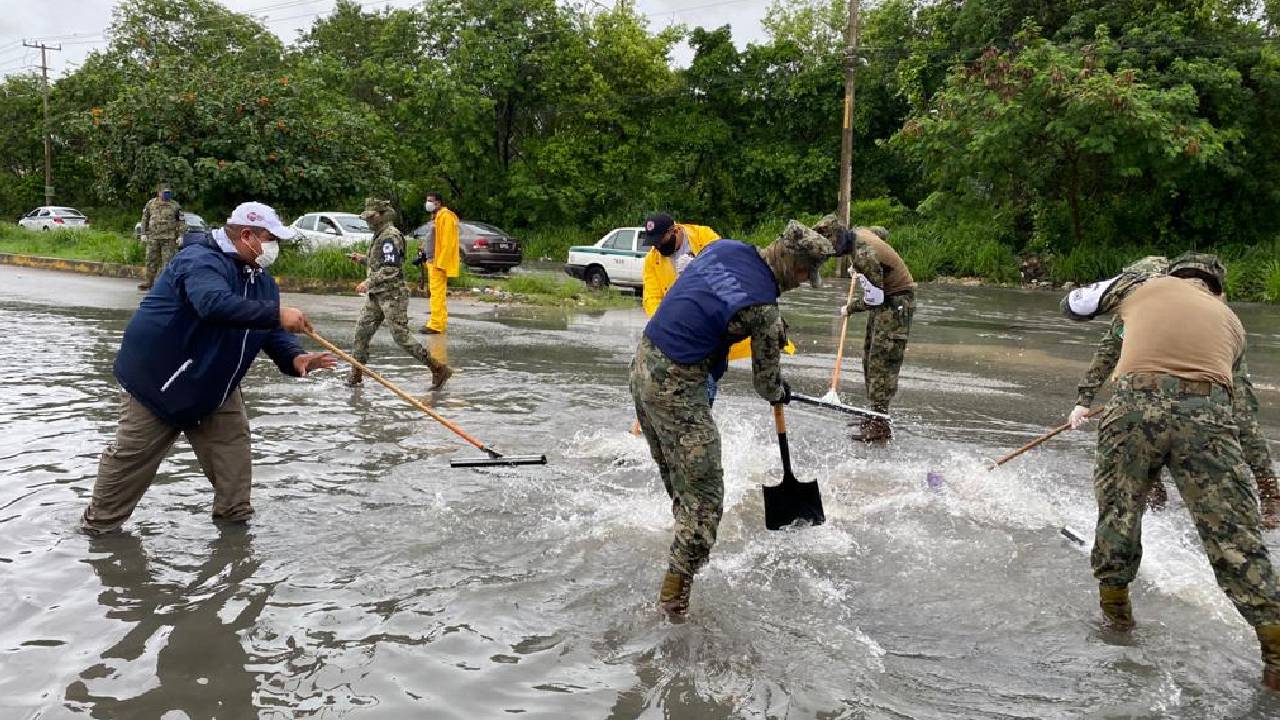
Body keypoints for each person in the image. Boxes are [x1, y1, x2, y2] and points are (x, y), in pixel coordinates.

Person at [1061, 253, 1280, 690]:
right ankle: (1276, 659)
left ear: (1174, 275)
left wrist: (1085, 397)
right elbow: (1246, 418)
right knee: (1235, 541)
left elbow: (1073, 308)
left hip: (1131, 408)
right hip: (1208, 417)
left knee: (1118, 518)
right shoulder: (1231, 322)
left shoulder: (1142, 288)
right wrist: (1268, 486)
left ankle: (1117, 625)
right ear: (1218, 289)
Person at [82, 202, 337, 534]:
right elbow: (212, 304)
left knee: (235, 482)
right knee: (125, 471)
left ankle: (235, 545)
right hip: (158, 386)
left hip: (216, 390)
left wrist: (295, 358)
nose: (276, 248)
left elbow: (268, 331)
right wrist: (276, 314)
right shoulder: (199, 260)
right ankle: (95, 535)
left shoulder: (262, 281)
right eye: (271, 239)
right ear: (247, 236)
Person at [631, 220, 833, 619]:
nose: (804, 281)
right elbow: (766, 384)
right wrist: (779, 390)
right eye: (807, 274)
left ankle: (680, 554)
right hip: (678, 386)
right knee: (706, 504)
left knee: (681, 486)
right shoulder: (763, 309)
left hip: (642, 369)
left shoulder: (727, 248)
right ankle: (672, 606)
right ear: (794, 267)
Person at [1067, 255, 1280, 526]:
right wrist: (1083, 400)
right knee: (1142, 417)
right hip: (1160, 376)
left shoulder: (1212, 303)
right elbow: (1110, 350)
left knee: (1244, 421)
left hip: (1216, 361)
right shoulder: (1141, 301)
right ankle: (1154, 497)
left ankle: (1270, 494)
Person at [814, 218, 914, 442]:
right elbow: (881, 231)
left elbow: (874, 298)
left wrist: (850, 307)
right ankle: (875, 414)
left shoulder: (863, 255)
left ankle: (880, 424)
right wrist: (861, 270)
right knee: (869, 355)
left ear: (838, 239)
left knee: (881, 360)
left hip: (896, 303)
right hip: (887, 301)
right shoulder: (860, 233)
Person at [346, 198, 453, 390]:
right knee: (361, 333)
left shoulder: (390, 236)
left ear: (382, 215)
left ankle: (438, 368)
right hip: (376, 296)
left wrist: (367, 282)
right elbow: (379, 262)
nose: (369, 221)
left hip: (392, 295)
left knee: (401, 337)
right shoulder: (380, 235)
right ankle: (356, 375)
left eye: (372, 217)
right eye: (367, 218)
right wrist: (362, 259)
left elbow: (391, 269)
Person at [419, 192, 459, 334]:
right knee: (436, 294)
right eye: (427, 200)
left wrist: (440, 263)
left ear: (438, 203)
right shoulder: (437, 217)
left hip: (437, 263)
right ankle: (437, 322)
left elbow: (447, 242)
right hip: (432, 261)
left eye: (431, 201)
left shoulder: (446, 216)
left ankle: (436, 324)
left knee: (437, 294)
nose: (428, 203)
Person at [138, 183, 183, 291]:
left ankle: (164, 285)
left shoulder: (175, 205)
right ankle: (149, 282)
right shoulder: (151, 204)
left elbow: (181, 221)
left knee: (168, 262)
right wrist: (143, 233)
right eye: (165, 193)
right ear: (159, 193)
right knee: (150, 260)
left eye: (168, 193)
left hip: (169, 238)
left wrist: (181, 236)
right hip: (153, 237)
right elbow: (145, 219)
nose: (167, 195)